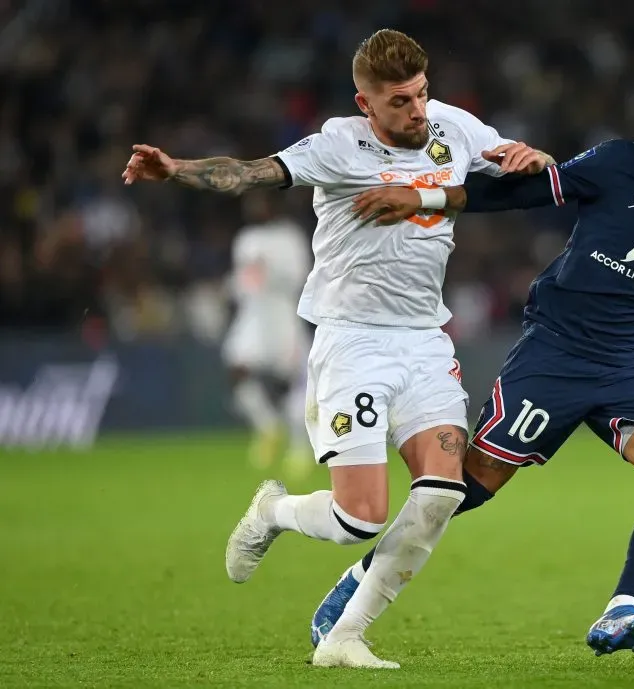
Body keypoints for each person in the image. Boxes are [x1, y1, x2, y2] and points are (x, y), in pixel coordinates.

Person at [121, 29, 552, 669]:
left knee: (441, 493)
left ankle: (345, 636)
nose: (417, 112)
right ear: (365, 104)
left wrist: (532, 157)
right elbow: (253, 174)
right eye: (400, 102)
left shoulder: (454, 128)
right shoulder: (336, 143)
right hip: (353, 343)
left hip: (425, 340)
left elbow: (514, 168)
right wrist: (177, 168)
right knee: (360, 519)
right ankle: (275, 510)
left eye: (422, 95)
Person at [309, 91, 634, 658]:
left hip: (623, 367)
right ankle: (354, 585)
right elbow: (521, 192)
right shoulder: (616, 165)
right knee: (461, 492)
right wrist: (426, 197)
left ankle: (622, 609)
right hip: (553, 356)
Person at [221, 193, 312, 477]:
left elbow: (300, 276)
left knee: (289, 383)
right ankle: (268, 426)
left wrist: (270, 272)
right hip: (253, 313)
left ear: (274, 205)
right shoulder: (245, 237)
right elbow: (243, 277)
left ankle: (300, 450)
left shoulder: (289, 237)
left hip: (282, 313)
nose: (254, 207)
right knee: (237, 368)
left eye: (260, 201)